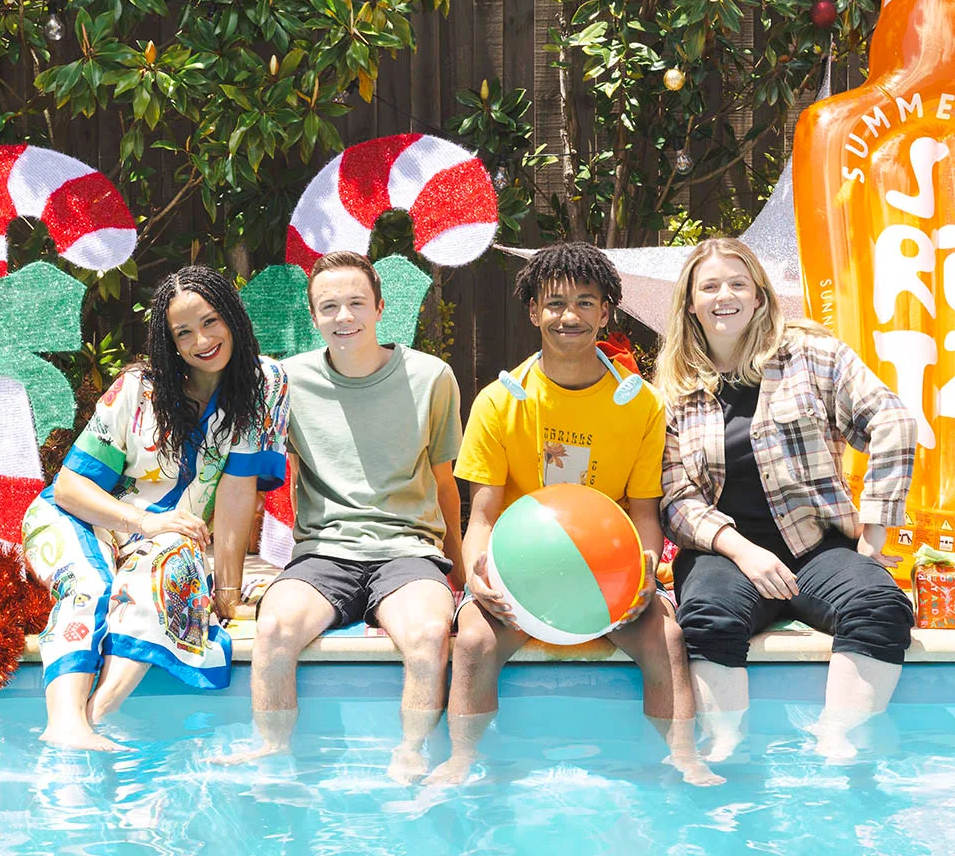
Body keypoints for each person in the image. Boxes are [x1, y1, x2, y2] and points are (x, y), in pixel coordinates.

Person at [437, 241, 712, 786]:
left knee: (670, 640)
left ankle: (681, 759)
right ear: (534, 312)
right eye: (556, 303)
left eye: (586, 303)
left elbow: (644, 514)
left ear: (607, 312)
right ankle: (463, 761)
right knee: (470, 642)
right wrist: (479, 577)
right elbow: (483, 516)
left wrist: (644, 575)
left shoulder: (639, 403)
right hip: (519, 580)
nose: (570, 316)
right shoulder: (499, 401)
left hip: (607, 580)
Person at [655, 238, 916, 761]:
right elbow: (675, 496)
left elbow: (894, 421)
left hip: (815, 546)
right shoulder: (672, 389)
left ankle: (838, 739)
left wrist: (875, 532)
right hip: (725, 554)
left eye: (737, 283)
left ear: (758, 297)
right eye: (709, 286)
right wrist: (741, 550)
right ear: (690, 302)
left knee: (880, 606)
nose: (723, 295)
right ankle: (727, 745)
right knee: (705, 617)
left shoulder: (813, 355)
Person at [219, 251, 465, 783]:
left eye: (356, 302)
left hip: (408, 551)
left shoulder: (432, 377)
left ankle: (413, 751)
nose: (344, 316)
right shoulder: (284, 383)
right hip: (323, 553)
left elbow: (445, 483)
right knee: (276, 627)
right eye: (329, 306)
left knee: (427, 635)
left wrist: (459, 573)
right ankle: (272, 749)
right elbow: (241, 483)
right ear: (314, 318)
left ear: (379, 308)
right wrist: (227, 587)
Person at [21, 266, 289, 751]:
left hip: (167, 534)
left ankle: (96, 717)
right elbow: (69, 488)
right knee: (93, 584)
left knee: (166, 567)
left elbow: (235, 494)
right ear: (169, 342)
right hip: (81, 518)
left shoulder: (265, 384)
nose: (201, 340)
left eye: (210, 321)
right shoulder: (137, 388)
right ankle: (64, 724)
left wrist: (226, 592)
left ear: (232, 316)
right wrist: (142, 521)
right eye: (183, 332)